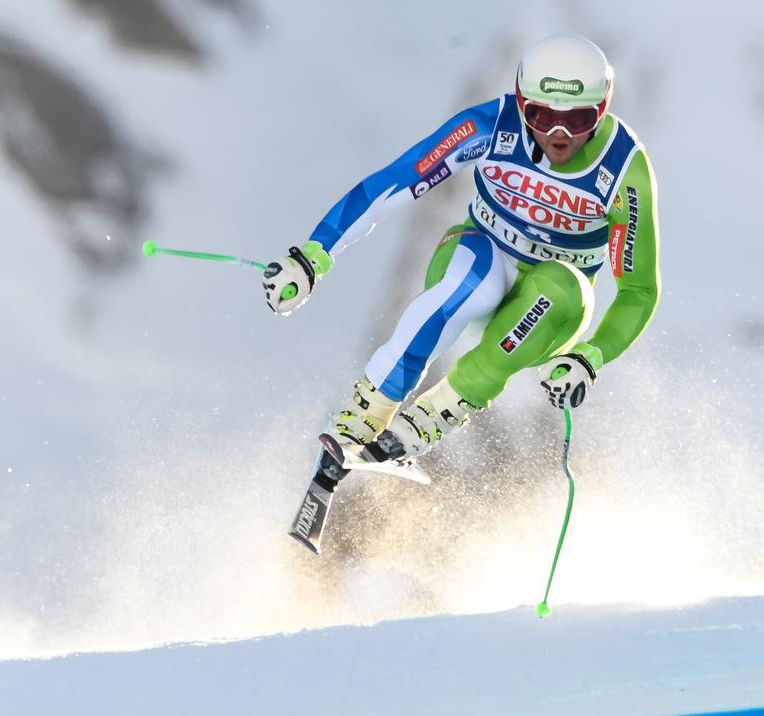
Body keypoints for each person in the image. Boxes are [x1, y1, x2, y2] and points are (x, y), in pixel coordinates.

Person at [264, 33, 659, 466]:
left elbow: (638, 291)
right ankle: (366, 410)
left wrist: (590, 356)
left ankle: (440, 411)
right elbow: (398, 180)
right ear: (521, 101)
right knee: (477, 281)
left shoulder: (624, 171)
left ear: (601, 111)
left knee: (561, 285)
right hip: (477, 256)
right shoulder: (490, 126)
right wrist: (313, 253)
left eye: (578, 119)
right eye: (541, 115)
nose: (558, 135)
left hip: (549, 312)